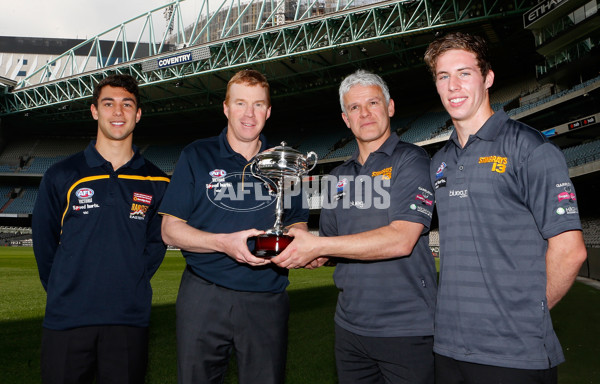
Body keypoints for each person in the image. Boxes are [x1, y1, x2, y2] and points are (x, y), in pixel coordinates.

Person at [423, 31, 587, 383]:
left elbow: (570, 251)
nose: (454, 86)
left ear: (488, 78)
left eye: (464, 73)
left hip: (515, 354)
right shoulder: (439, 161)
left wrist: (529, 313)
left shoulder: (529, 148)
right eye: (443, 76)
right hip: (448, 347)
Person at [272, 69, 436, 384]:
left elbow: (402, 239)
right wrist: (315, 253)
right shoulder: (336, 179)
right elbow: (336, 245)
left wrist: (320, 246)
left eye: (373, 103)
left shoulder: (411, 161)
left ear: (390, 107)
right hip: (350, 329)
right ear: (346, 119)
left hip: (407, 328)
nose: (365, 113)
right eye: (355, 108)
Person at [158, 69, 309, 384]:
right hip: (203, 295)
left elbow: (297, 222)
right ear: (226, 108)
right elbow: (170, 229)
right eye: (240, 103)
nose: (249, 114)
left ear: (268, 111)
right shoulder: (196, 155)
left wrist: (302, 243)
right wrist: (224, 243)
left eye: (257, 105)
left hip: (267, 296)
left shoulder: (284, 163)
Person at [32, 74, 170, 383]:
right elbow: (44, 243)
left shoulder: (159, 182)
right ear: (95, 111)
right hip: (67, 318)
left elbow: (154, 246)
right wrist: (64, 289)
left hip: (127, 321)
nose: (117, 113)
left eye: (127, 104)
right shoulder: (61, 174)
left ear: (138, 114)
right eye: (109, 104)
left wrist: (128, 281)